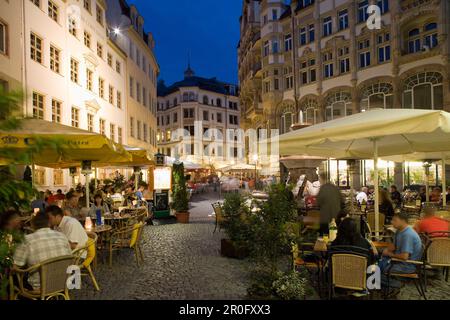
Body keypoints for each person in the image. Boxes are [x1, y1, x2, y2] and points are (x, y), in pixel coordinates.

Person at [12, 211, 72, 290]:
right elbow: (70, 257)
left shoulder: (26, 240)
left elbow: (16, 266)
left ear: (32, 225)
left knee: (12, 276)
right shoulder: (61, 235)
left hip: (41, 287)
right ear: (49, 224)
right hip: (64, 282)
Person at [379, 212, 423, 288]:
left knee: (376, 270)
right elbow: (393, 246)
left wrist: (389, 254)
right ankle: (385, 285)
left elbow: (404, 257)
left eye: (395, 220)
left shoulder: (407, 235)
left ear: (403, 221)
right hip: (399, 261)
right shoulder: (400, 230)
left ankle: (396, 284)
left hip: (407, 265)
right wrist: (385, 251)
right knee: (376, 264)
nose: (392, 222)